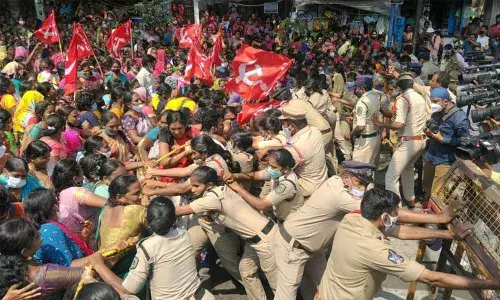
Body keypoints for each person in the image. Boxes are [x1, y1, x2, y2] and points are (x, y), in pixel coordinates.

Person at [317, 188, 499, 300]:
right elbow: (433, 278)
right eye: (395, 212)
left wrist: (446, 230)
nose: (400, 215)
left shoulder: (354, 218)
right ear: (385, 217)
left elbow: (400, 230)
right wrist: (492, 284)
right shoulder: (375, 250)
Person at [175, 166, 277, 300]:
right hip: (257, 239)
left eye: (196, 186)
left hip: (265, 241)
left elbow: (180, 211)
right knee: (246, 271)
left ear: (209, 185)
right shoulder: (223, 189)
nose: (192, 189)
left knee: (279, 287)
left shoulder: (211, 200)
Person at [104, 196, 215, 299]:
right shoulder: (184, 234)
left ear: (148, 220)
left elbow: (131, 288)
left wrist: (99, 266)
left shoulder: (147, 247)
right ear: (174, 218)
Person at [0, 218, 114, 299]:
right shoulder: (45, 275)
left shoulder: (6, 266)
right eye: (37, 237)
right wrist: (111, 256)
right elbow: (90, 273)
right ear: (24, 252)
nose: (41, 236)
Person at [373, 73, 427, 208]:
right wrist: (384, 111)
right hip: (421, 141)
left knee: (390, 177)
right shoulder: (419, 97)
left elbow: (399, 124)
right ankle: (411, 202)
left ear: (400, 86)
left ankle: (396, 209)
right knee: (407, 170)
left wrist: (380, 124)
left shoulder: (403, 98)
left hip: (409, 142)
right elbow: (401, 114)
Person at [423, 88, 469, 203]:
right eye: (431, 101)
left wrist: (443, 139)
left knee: (438, 192)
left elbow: (465, 141)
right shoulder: (436, 113)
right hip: (430, 155)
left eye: (435, 101)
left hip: (445, 160)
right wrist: (429, 133)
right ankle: (426, 207)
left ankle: (435, 217)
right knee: (427, 185)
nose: (433, 104)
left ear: (445, 101)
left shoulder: (459, 117)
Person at [24, 188, 93, 266]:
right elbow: (68, 266)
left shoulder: (44, 228)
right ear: (55, 207)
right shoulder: (50, 230)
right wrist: (96, 258)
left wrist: (85, 239)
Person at [96, 174, 147, 278]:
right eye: (136, 194)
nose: (141, 196)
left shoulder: (105, 209)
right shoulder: (136, 211)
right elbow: (158, 227)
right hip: (125, 274)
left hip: (101, 271)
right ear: (120, 198)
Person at [277, 104, 328, 198]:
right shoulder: (314, 131)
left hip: (306, 189)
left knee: (277, 180)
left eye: (283, 124)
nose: (282, 127)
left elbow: (277, 169)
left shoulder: (295, 147)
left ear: (292, 126)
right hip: (321, 182)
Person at [52, 159, 106, 239]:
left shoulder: (60, 194)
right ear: (75, 179)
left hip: (75, 240)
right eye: (81, 172)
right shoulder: (77, 192)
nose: (83, 176)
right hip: (89, 239)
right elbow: (108, 203)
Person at [350, 74, 384, 164]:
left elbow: (360, 126)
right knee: (369, 170)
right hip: (374, 138)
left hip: (364, 141)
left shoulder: (362, 102)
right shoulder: (375, 97)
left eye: (357, 88)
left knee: (359, 171)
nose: (355, 90)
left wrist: (351, 134)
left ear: (362, 89)